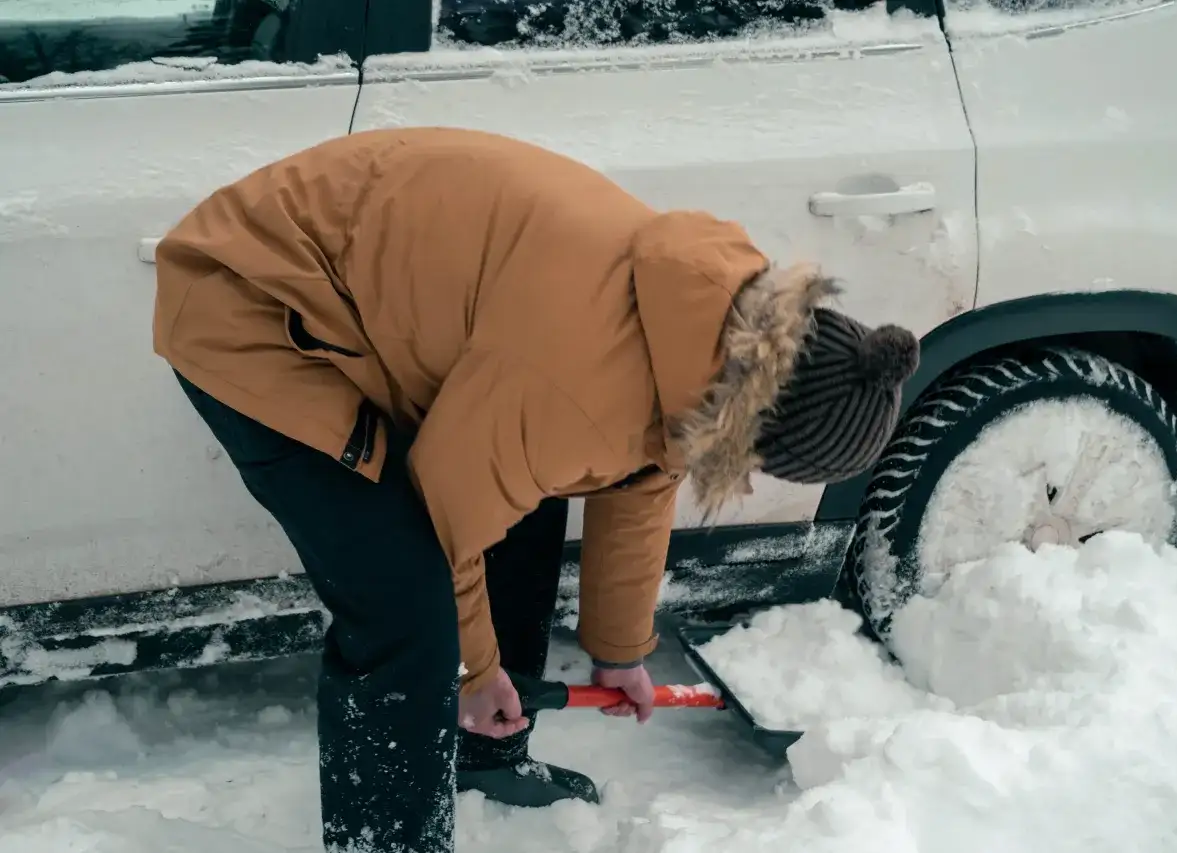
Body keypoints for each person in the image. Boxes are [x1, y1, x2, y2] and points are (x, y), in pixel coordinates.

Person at [152, 127, 920, 853]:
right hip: (256, 305)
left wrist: (618, 651)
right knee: (406, 605)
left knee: (523, 507)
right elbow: (445, 518)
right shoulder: (576, 379)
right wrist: (473, 670)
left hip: (376, 298)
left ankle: (483, 751)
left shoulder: (706, 328)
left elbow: (643, 468)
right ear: (751, 421)